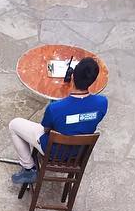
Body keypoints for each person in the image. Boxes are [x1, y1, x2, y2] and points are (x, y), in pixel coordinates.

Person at [6, 57, 107, 185]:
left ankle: (29, 168)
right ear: (93, 81)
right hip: (79, 151)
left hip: (54, 152)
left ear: (72, 76)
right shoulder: (103, 103)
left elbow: (46, 129)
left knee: (14, 124)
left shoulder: (55, 108)